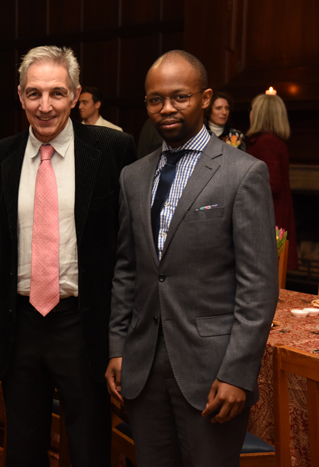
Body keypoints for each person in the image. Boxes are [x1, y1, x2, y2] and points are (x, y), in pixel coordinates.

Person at [105, 50, 278, 467]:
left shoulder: (243, 173)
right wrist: (117, 347)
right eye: (154, 99)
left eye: (179, 97)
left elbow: (258, 287)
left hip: (212, 372)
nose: (166, 109)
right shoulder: (134, 175)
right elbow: (127, 269)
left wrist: (237, 372)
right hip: (143, 368)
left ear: (205, 98)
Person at [0, 46, 136, 466]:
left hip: (84, 321)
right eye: (34, 94)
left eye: (56, 93)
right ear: (19, 96)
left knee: (89, 444)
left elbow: (128, 246)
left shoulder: (114, 150)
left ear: (75, 94)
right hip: (21, 321)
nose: (45, 106)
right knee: (24, 444)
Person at [246, 93, 298, 270]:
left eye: (252, 109)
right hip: (271, 215)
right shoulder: (273, 141)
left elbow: (272, 184)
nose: (250, 113)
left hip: (268, 217)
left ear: (261, 113)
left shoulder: (266, 142)